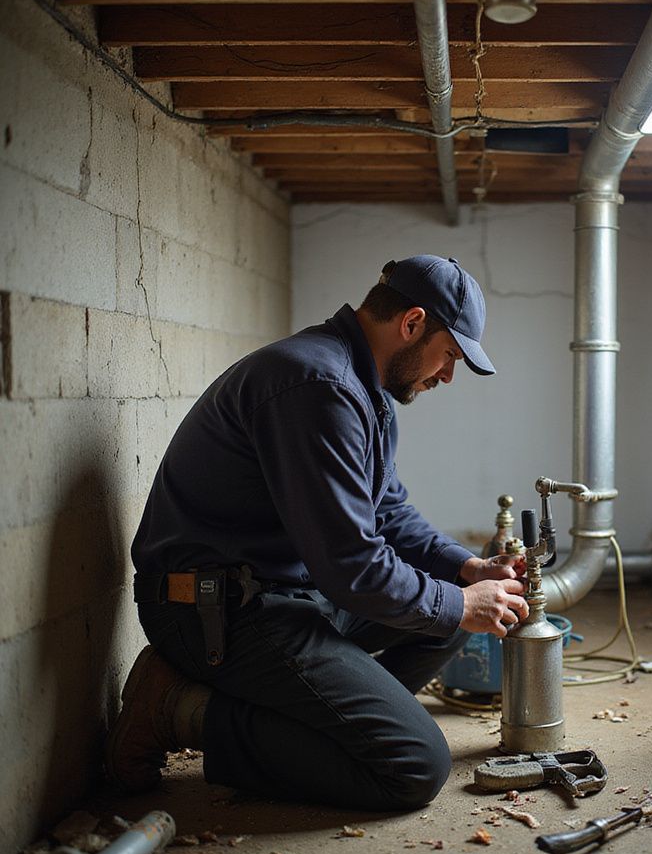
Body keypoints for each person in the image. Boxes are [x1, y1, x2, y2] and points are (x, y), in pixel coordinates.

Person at [106, 255, 529, 811]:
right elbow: (353, 566)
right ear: (412, 323)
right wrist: (457, 602)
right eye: (449, 354)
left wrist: (465, 570)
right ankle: (180, 710)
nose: (447, 375)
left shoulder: (363, 389)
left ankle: (326, 721)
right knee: (414, 766)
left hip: (283, 592)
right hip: (218, 611)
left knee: (443, 621)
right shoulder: (317, 386)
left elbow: (387, 512)